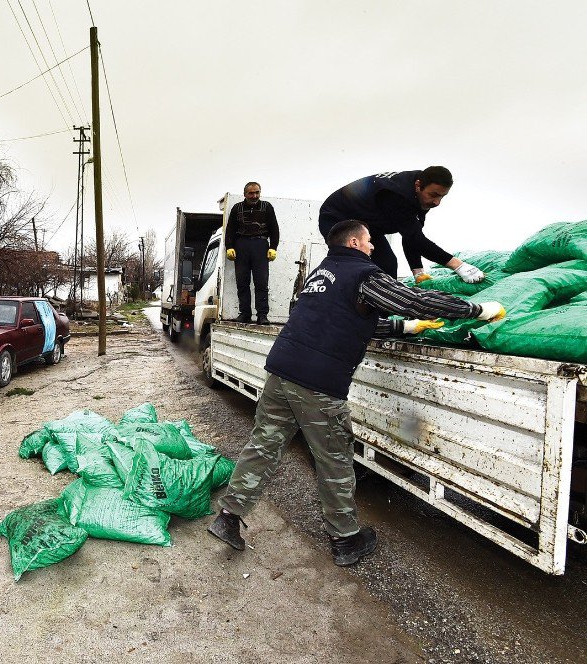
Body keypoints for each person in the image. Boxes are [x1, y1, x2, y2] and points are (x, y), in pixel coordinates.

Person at [208, 219, 506, 565]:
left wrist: (404, 327)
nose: (373, 246)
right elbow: (414, 300)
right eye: (368, 241)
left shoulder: (319, 275)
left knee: (263, 445)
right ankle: (345, 538)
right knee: (334, 459)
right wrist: (477, 309)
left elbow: (345, 319)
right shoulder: (363, 274)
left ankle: (228, 517)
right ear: (353, 243)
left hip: (281, 373)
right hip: (318, 384)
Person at [318, 167, 485, 284]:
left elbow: (410, 234)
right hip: (337, 219)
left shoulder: (420, 197)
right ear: (418, 185)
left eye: (442, 197)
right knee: (356, 264)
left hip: (368, 225)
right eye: (434, 195)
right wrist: (458, 265)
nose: (437, 202)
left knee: (388, 264)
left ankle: (382, 318)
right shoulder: (397, 195)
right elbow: (416, 238)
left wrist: (418, 271)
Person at [224, 182, 280, 325]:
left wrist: (273, 247)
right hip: (241, 246)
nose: (254, 196)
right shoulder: (237, 208)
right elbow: (230, 230)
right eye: (251, 193)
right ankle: (245, 314)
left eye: (257, 192)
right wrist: (229, 247)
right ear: (245, 194)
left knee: (261, 282)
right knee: (242, 282)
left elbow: (274, 229)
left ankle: (262, 315)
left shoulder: (267, 207)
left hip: (260, 246)